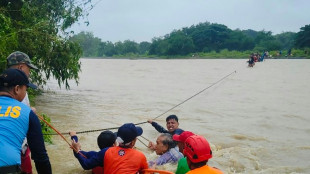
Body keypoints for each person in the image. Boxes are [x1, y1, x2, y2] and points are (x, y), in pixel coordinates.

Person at [0, 68, 52, 174]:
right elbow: (40, 157)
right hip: (8, 169)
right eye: (26, 89)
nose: (26, 92)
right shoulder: (27, 113)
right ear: (17, 89)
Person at [7, 51, 39, 174]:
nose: (29, 72)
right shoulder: (19, 88)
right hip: (19, 148)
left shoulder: (5, 85)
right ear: (21, 67)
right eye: (28, 68)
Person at [71, 123, 148, 173]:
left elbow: (85, 162)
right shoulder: (140, 156)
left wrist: (75, 141)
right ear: (133, 142)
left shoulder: (105, 152)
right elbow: (146, 171)